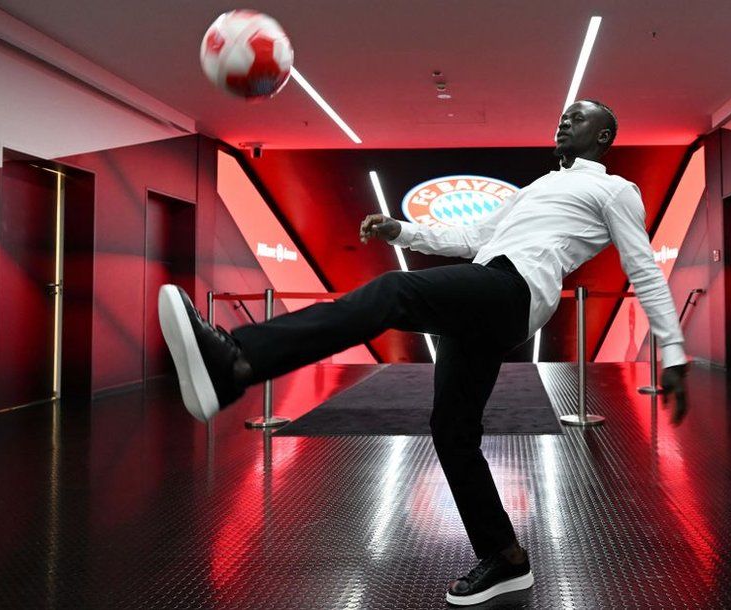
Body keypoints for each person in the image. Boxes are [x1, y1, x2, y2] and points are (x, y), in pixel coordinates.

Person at [158, 99, 689, 607]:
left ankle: (236, 362)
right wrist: (402, 229)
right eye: (564, 114)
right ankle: (505, 557)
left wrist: (674, 350)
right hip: (485, 292)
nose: (564, 121)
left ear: (602, 136)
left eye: (578, 117)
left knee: (395, 292)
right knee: (453, 431)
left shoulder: (616, 190)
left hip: (514, 292)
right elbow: (472, 235)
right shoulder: (540, 187)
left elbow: (642, 267)